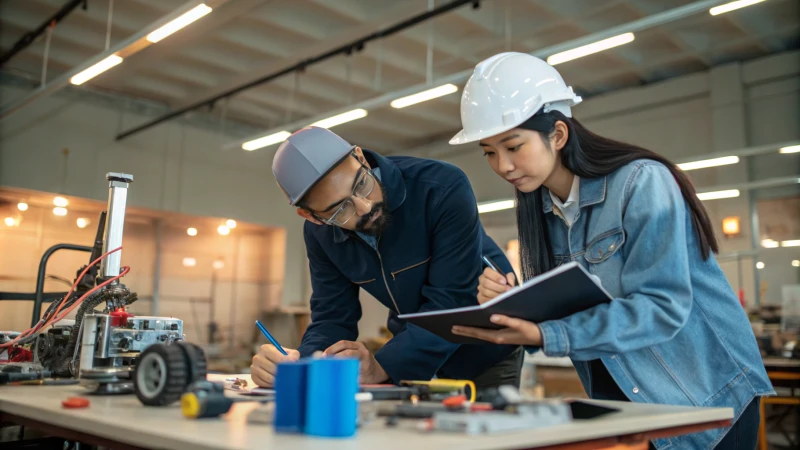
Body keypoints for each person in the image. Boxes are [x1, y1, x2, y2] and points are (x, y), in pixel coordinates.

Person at [447, 52, 774, 449]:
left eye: (513, 146)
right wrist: (513, 305)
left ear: (558, 135)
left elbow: (662, 306)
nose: (503, 165)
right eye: (489, 152)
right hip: (630, 403)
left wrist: (546, 332)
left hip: (703, 395)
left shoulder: (641, 183)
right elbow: (577, 309)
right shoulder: (543, 214)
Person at [251, 126, 521, 395]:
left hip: (485, 348)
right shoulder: (320, 234)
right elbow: (332, 316)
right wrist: (298, 365)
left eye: (361, 184)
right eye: (341, 209)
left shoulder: (441, 188)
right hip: (412, 351)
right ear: (312, 217)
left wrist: (383, 366)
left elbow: (452, 300)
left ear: (360, 157)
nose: (365, 207)